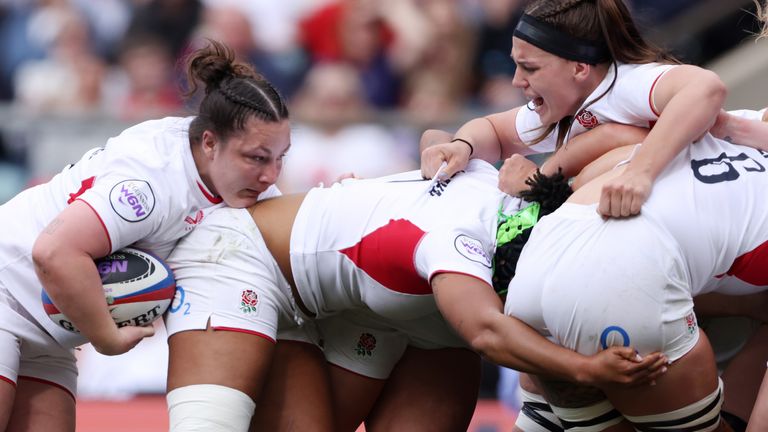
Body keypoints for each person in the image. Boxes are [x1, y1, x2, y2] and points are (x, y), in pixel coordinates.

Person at [163, 160, 667, 432]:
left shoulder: (515, 201)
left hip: (378, 306)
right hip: (245, 258)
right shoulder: (457, 241)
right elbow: (487, 333)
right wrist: (585, 369)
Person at [0, 39, 290, 431]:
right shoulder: (152, 182)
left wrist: (339, 199)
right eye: (257, 158)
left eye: (280, 157)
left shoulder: (234, 176)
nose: (271, 175)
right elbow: (53, 252)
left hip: (51, 331)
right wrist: (106, 337)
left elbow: (290, 236)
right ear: (210, 143)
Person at [497, 129, 768, 431]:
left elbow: (609, 140)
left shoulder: (704, 134)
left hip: (538, 266)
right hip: (629, 281)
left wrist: (541, 176)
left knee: (544, 421)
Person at [420, 0, 726, 219]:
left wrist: (639, 173)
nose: (516, 81)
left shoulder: (626, 82)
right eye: (516, 65)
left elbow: (707, 86)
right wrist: (462, 146)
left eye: (530, 68)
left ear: (579, 68)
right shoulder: (571, 101)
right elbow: (494, 132)